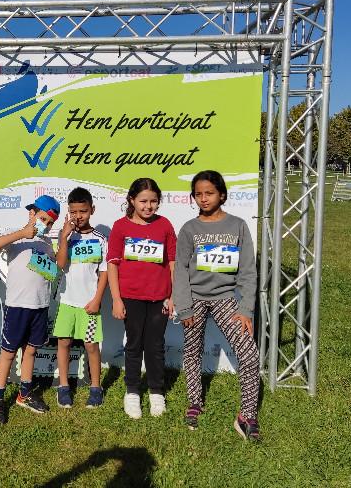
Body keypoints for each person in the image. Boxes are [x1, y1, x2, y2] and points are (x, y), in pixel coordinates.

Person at [173, 170, 261, 441]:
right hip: (194, 299)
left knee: (249, 354)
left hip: (225, 298)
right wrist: (184, 307)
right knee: (192, 351)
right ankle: (194, 402)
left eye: (209, 193)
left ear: (222, 195)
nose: (203, 198)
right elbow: (181, 270)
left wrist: (245, 309)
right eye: (198, 194)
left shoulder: (238, 226)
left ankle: (247, 416)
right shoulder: (189, 229)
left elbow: (248, 271)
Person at [0, 194, 61, 424]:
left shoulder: (47, 244)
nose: (45, 225)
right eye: (42, 219)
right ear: (32, 213)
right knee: (8, 353)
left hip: (40, 306)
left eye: (50, 223)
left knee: (31, 351)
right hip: (17, 306)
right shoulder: (16, 237)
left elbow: (53, 270)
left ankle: (24, 394)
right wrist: (21, 233)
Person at [107, 178, 176, 419]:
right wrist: (116, 299)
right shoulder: (120, 227)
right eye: (143, 201)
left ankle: (156, 391)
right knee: (134, 344)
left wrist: (173, 295)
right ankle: (132, 391)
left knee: (155, 346)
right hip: (131, 296)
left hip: (160, 297)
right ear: (132, 200)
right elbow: (113, 264)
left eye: (153, 201)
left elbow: (173, 262)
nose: (148, 206)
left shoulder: (165, 225)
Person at [53, 187, 108, 408]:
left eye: (83, 211)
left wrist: (97, 299)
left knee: (91, 346)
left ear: (92, 209)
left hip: (89, 304)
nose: (78, 216)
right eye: (74, 212)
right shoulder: (66, 235)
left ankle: (96, 388)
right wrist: (64, 237)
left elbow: (104, 272)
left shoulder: (100, 239)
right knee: (64, 342)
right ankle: (63, 386)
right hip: (67, 301)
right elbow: (60, 264)